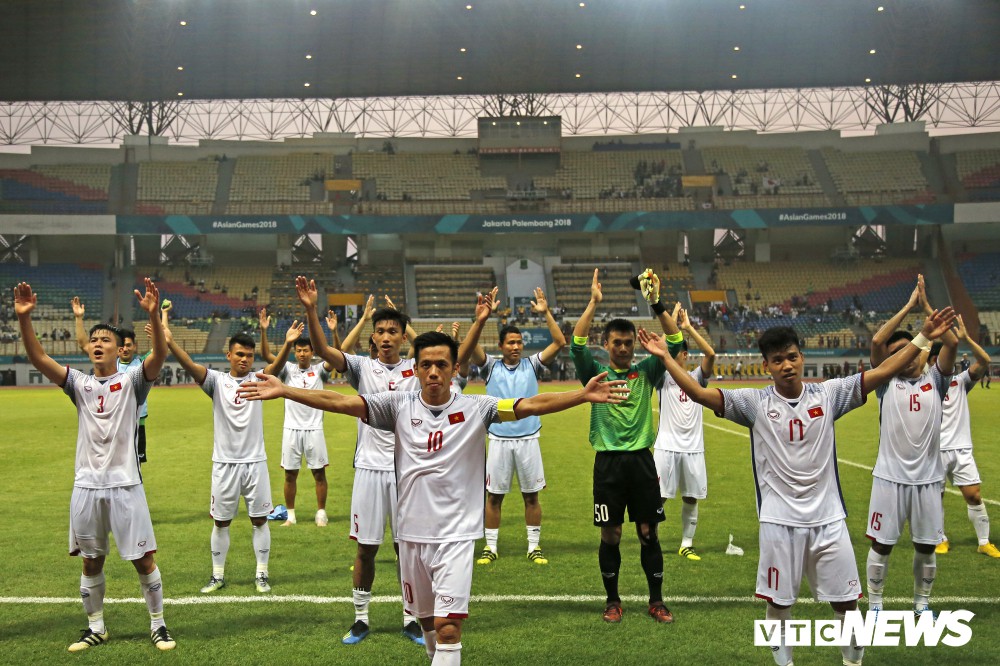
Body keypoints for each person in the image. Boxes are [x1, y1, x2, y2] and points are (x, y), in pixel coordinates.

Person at [237, 327, 629, 665]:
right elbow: (341, 402)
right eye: (426, 364)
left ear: (455, 369)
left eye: (442, 364)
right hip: (410, 537)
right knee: (427, 624)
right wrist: (286, 390)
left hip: (456, 537)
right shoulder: (398, 406)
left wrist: (581, 396)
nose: (434, 372)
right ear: (416, 368)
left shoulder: (479, 408)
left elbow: (530, 405)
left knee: (447, 627)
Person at [637, 304, 955, 666]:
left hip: (829, 522)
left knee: (847, 605)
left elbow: (884, 370)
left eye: (791, 357)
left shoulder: (829, 394)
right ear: (766, 367)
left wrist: (925, 336)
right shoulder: (753, 403)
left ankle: (853, 662)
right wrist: (665, 358)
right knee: (780, 604)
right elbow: (698, 393)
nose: (786, 365)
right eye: (777, 360)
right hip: (779, 524)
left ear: (801, 357)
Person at [16, 279, 176, 652]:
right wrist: (25, 319)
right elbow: (39, 359)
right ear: (88, 348)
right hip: (86, 486)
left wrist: (153, 313)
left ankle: (159, 624)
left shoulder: (133, 379)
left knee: (144, 559)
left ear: (118, 349)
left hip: (125, 486)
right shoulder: (79, 383)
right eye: (95, 340)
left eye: (107, 339)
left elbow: (159, 357)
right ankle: (96, 626)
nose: (100, 343)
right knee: (90, 561)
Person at [292, 276, 424, 646]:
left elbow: (451, 358)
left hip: (406, 471)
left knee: (406, 548)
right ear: (374, 337)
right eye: (380, 330)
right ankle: (361, 618)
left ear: (402, 336)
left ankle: (411, 618)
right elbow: (323, 350)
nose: (385, 336)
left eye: (392, 331)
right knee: (366, 548)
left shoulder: (418, 369)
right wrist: (310, 309)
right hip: (368, 468)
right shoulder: (363, 368)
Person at [570, 268, 684, 624]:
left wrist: (656, 303)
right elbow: (576, 343)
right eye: (616, 342)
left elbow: (677, 343)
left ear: (634, 345)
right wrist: (593, 303)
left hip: (642, 463)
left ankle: (656, 601)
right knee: (612, 533)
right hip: (608, 465)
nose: (622, 348)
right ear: (605, 345)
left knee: (648, 532)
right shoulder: (595, 374)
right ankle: (613, 601)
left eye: (627, 343)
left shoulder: (648, 370)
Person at [163, 313, 296, 596]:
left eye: (249, 355)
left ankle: (262, 573)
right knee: (221, 521)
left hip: (255, 463)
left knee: (259, 519)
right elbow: (189, 365)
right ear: (229, 355)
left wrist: (286, 344)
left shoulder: (259, 380)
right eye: (239, 354)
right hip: (224, 464)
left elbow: (276, 366)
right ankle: (218, 574)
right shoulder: (215, 381)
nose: (244, 359)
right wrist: (172, 343)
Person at [866, 276, 958, 617]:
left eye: (911, 350)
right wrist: (908, 306)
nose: (904, 357)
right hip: (889, 478)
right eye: (896, 354)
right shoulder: (885, 383)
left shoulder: (937, 378)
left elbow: (951, 343)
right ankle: (875, 605)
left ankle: (922, 603)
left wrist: (928, 310)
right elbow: (878, 340)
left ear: (925, 351)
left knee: (925, 544)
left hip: (928, 480)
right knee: (883, 544)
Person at [458, 287, 566, 566]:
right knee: (494, 497)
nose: (516, 347)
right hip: (498, 440)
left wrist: (546, 314)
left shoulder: (532, 365)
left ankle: (534, 546)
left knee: (531, 496)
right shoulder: (490, 367)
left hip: (529, 439)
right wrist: (480, 320)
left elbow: (559, 342)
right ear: (501, 345)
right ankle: (490, 547)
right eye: (511, 343)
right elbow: (468, 351)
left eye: (519, 342)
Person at [258, 307, 337, 528]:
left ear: (312, 353)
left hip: (314, 429)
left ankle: (321, 512)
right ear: (295, 352)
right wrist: (264, 332)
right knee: (290, 475)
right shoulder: (287, 370)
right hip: (291, 429)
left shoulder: (320, 370)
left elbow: (337, 355)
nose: (302, 354)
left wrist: (333, 332)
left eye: (306, 350)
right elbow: (267, 358)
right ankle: (290, 515)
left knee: (319, 474)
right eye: (298, 350)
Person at [932, 315, 999, 558]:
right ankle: (940, 538)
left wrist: (966, 339)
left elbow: (984, 360)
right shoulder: (925, 382)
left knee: (974, 494)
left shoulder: (961, 382)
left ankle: (984, 541)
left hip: (961, 448)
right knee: (935, 498)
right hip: (935, 450)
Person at [652, 305, 715, 561]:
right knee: (658, 498)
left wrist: (689, 327)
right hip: (666, 446)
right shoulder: (663, 376)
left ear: (685, 355)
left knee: (691, 497)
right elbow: (661, 349)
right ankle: (652, 540)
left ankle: (686, 543)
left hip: (693, 448)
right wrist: (671, 325)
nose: (673, 353)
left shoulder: (697, 378)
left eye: (678, 351)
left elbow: (710, 353)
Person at [73, 297, 152, 463]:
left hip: (135, 421)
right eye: (122, 346)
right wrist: (79, 318)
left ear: (134, 347)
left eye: (129, 345)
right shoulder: (111, 362)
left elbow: (159, 351)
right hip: (108, 422)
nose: (125, 349)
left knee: (134, 463)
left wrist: (159, 316)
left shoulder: (140, 364)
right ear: (117, 349)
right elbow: (83, 343)